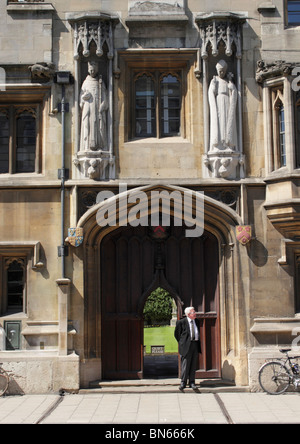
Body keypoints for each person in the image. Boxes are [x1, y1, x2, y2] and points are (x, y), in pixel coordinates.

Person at [208, 59, 237, 152]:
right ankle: (219, 143)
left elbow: (233, 92)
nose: (221, 73)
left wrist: (232, 88)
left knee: (227, 121)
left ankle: (227, 143)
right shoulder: (215, 80)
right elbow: (211, 92)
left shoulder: (227, 81)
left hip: (227, 101)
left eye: (223, 71)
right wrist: (213, 87)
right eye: (220, 71)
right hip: (218, 101)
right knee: (220, 122)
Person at [80, 61, 108, 152]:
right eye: (91, 69)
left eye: (94, 70)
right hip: (88, 108)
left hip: (97, 109)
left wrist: (103, 105)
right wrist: (84, 97)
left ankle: (100, 146)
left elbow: (105, 96)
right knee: (87, 125)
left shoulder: (100, 82)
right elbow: (81, 97)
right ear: (88, 70)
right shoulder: (85, 82)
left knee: (99, 125)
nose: (92, 71)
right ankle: (87, 146)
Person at [174, 306, 201, 391]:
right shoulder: (181, 322)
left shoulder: (196, 321)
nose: (195, 313)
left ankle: (192, 382)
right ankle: (183, 382)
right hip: (186, 346)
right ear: (188, 314)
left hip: (195, 345)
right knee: (185, 364)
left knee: (193, 364)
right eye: (194, 312)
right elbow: (177, 334)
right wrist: (182, 343)